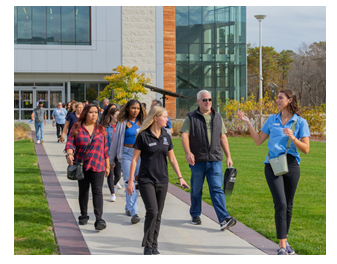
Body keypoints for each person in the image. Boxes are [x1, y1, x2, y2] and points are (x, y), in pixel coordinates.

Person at [237, 89, 310, 255]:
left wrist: (293, 138)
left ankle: (285, 239)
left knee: (289, 205)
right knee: (281, 203)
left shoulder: (300, 122)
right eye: (277, 98)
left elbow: (306, 149)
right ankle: (282, 245)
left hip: (291, 164)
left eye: (280, 98)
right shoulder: (272, 119)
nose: (277, 100)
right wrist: (248, 123)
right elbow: (258, 141)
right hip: (272, 164)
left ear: (290, 100)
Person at [126, 106, 189, 255]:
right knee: (152, 211)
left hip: (162, 180)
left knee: (158, 214)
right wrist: (130, 181)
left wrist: (180, 177)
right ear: (156, 118)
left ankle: (154, 245)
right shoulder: (143, 136)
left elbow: (172, 158)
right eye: (165, 117)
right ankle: (147, 246)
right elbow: (134, 160)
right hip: (146, 179)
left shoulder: (166, 136)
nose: (167, 119)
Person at [180, 90, 237, 231]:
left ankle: (224, 218)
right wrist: (188, 152)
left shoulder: (217, 116)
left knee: (217, 189)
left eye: (209, 99)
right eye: (204, 100)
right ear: (198, 101)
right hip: (198, 160)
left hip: (215, 159)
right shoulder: (191, 117)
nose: (208, 102)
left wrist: (228, 156)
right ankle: (195, 214)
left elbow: (223, 137)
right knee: (196, 189)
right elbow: (184, 135)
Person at [65, 104, 110, 231]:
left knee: (98, 192)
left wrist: (107, 166)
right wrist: (69, 153)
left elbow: (105, 149)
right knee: (83, 192)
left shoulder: (101, 129)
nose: (94, 115)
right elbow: (70, 143)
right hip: (81, 165)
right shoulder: (77, 127)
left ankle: (99, 219)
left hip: (98, 165)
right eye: (91, 112)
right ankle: (83, 215)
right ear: (85, 113)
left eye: (96, 112)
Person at [109, 100, 147, 224]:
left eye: (137, 108)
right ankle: (134, 211)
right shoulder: (122, 123)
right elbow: (115, 141)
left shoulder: (144, 123)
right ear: (128, 109)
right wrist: (111, 160)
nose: (135, 111)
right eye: (133, 108)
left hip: (141, 155)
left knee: (137, 182)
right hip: (126, 154)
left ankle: (128, 206)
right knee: (128, 181)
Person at [101, 107, 121, 202]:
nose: (118, 117)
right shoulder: (105, 128)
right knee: (110, 174)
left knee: (118, 175)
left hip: (118, 154)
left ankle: (114, 184)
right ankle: (112, 193)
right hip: (109, 154)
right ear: (112, 116)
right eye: (117, 115)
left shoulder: (121, 127)